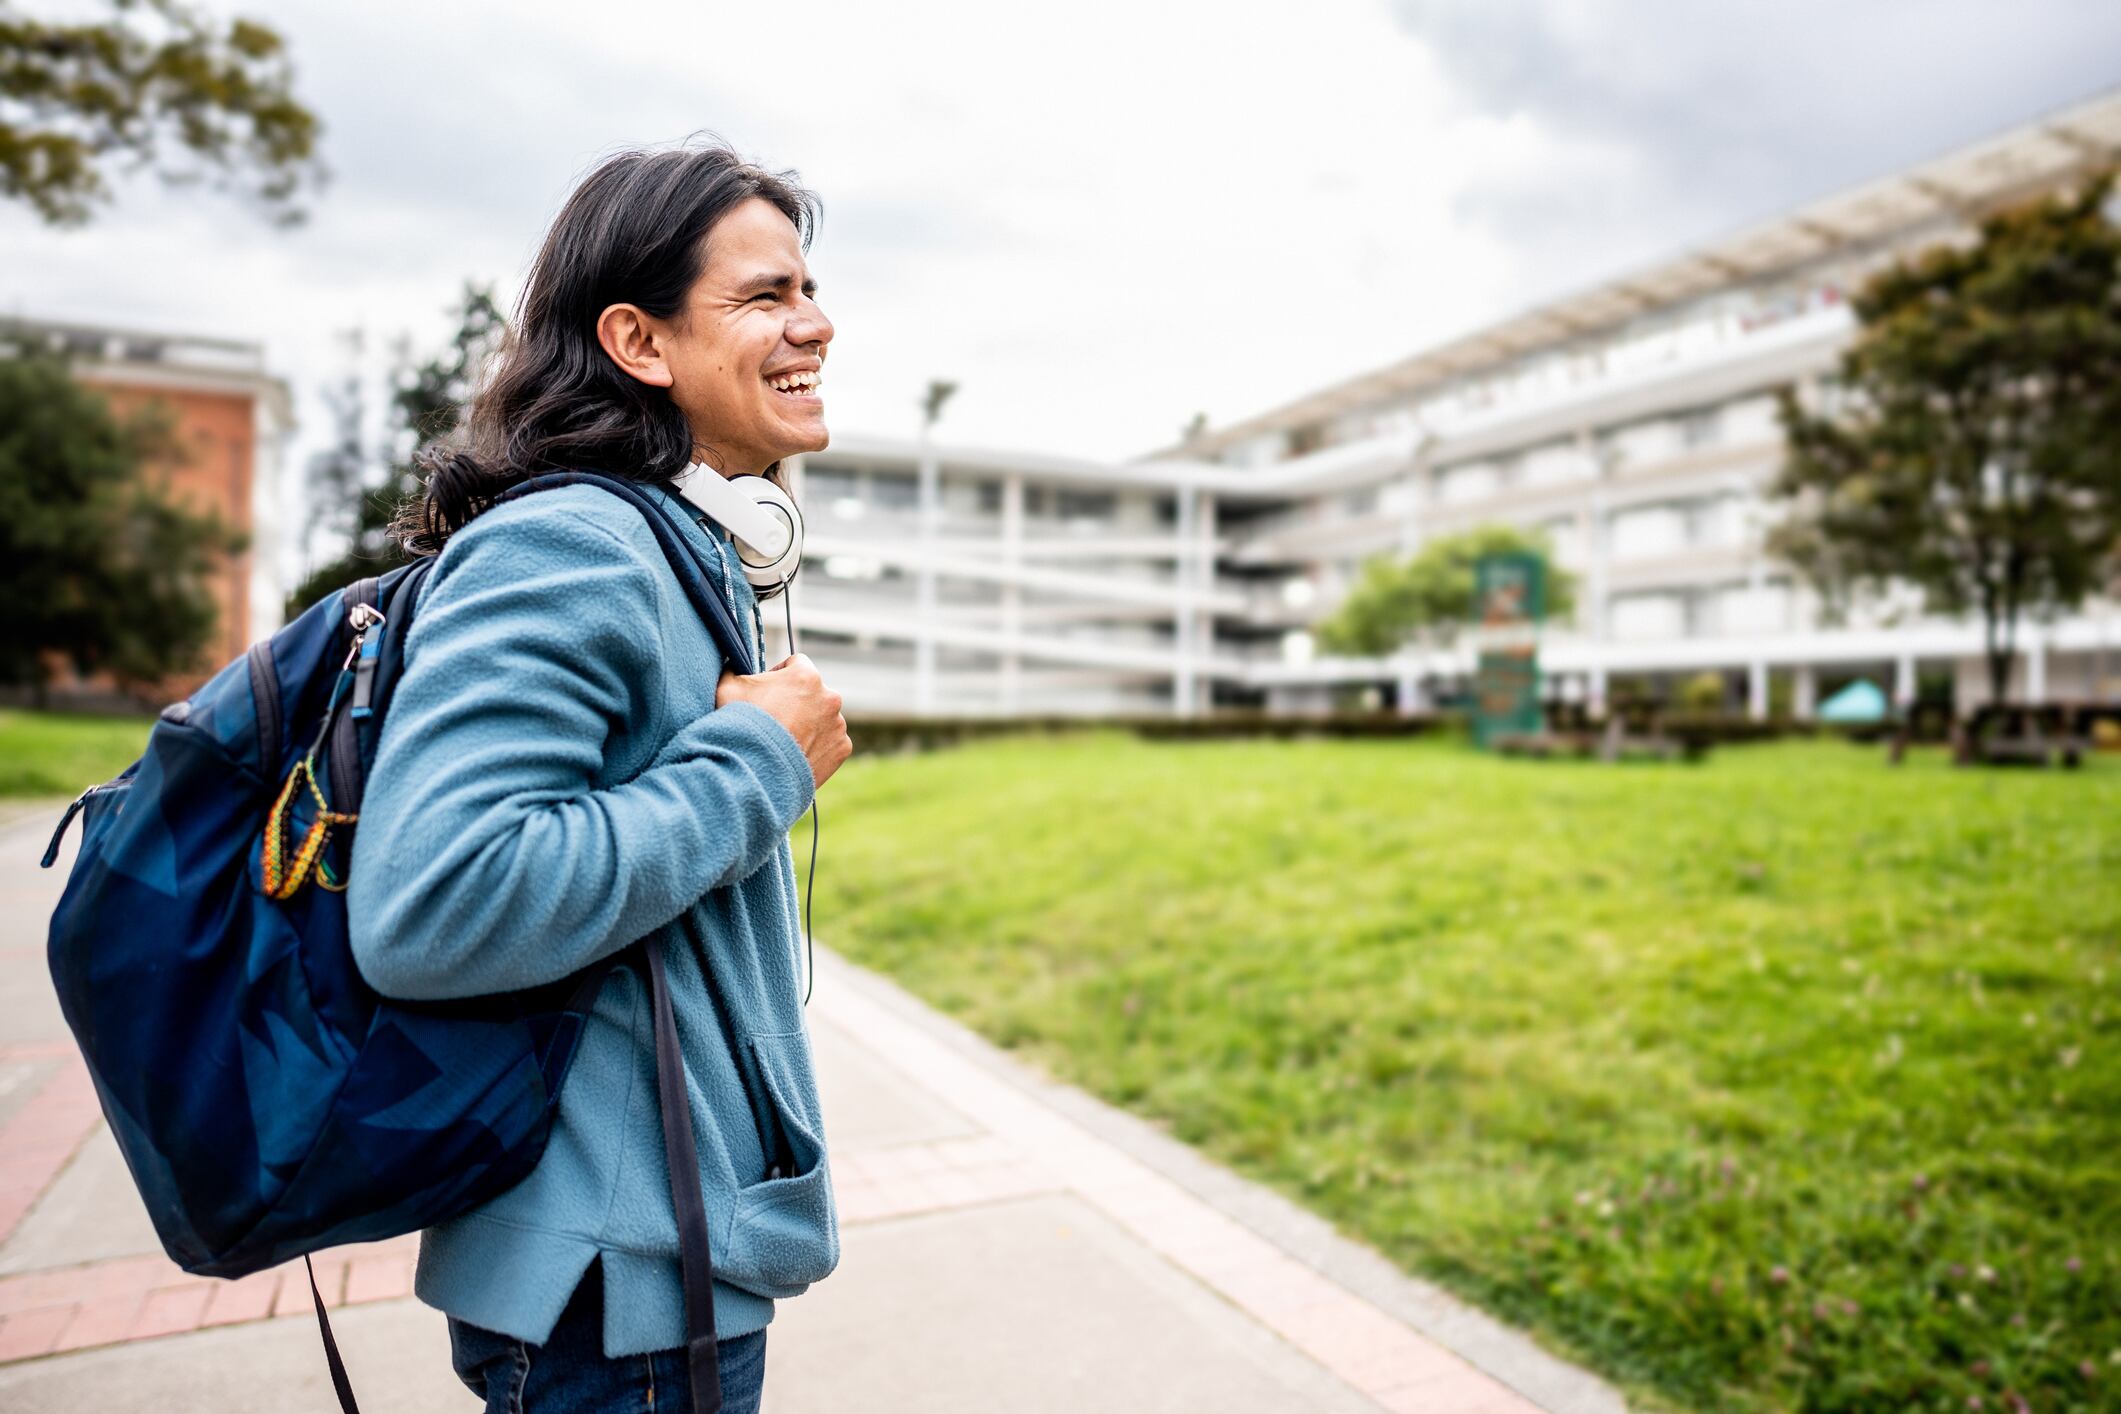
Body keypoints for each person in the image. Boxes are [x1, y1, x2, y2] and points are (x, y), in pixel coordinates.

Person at [346, 139, 853, 1414]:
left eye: (808, 289)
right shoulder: (576, 543)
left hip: (656, 1271)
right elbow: (433, 899)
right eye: (766, 297)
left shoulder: (662, 548)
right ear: (638, 340)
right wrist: (757, 765)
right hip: (615, 1300)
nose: (817, 323)